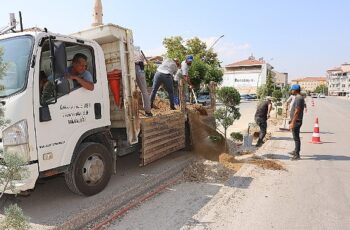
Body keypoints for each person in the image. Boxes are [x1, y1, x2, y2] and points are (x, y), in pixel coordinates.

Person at [134, 46, 152, 117]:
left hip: (132, 66)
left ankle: (134, 112)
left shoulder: (131, 48)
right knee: (144, 91)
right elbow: (144, 61)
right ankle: (148, 111)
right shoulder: (138, 50)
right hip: (138, 67)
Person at [289, 84, 305, 160]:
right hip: (296, 120)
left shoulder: (298, 98)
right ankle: (296, 150)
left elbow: (297, 111)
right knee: (295, 137)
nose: (291, 91)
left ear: (295, 90)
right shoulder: (298, 97)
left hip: (297, 121)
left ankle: (297, 154)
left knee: (296, 138)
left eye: (292, 89)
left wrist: (293, 122)